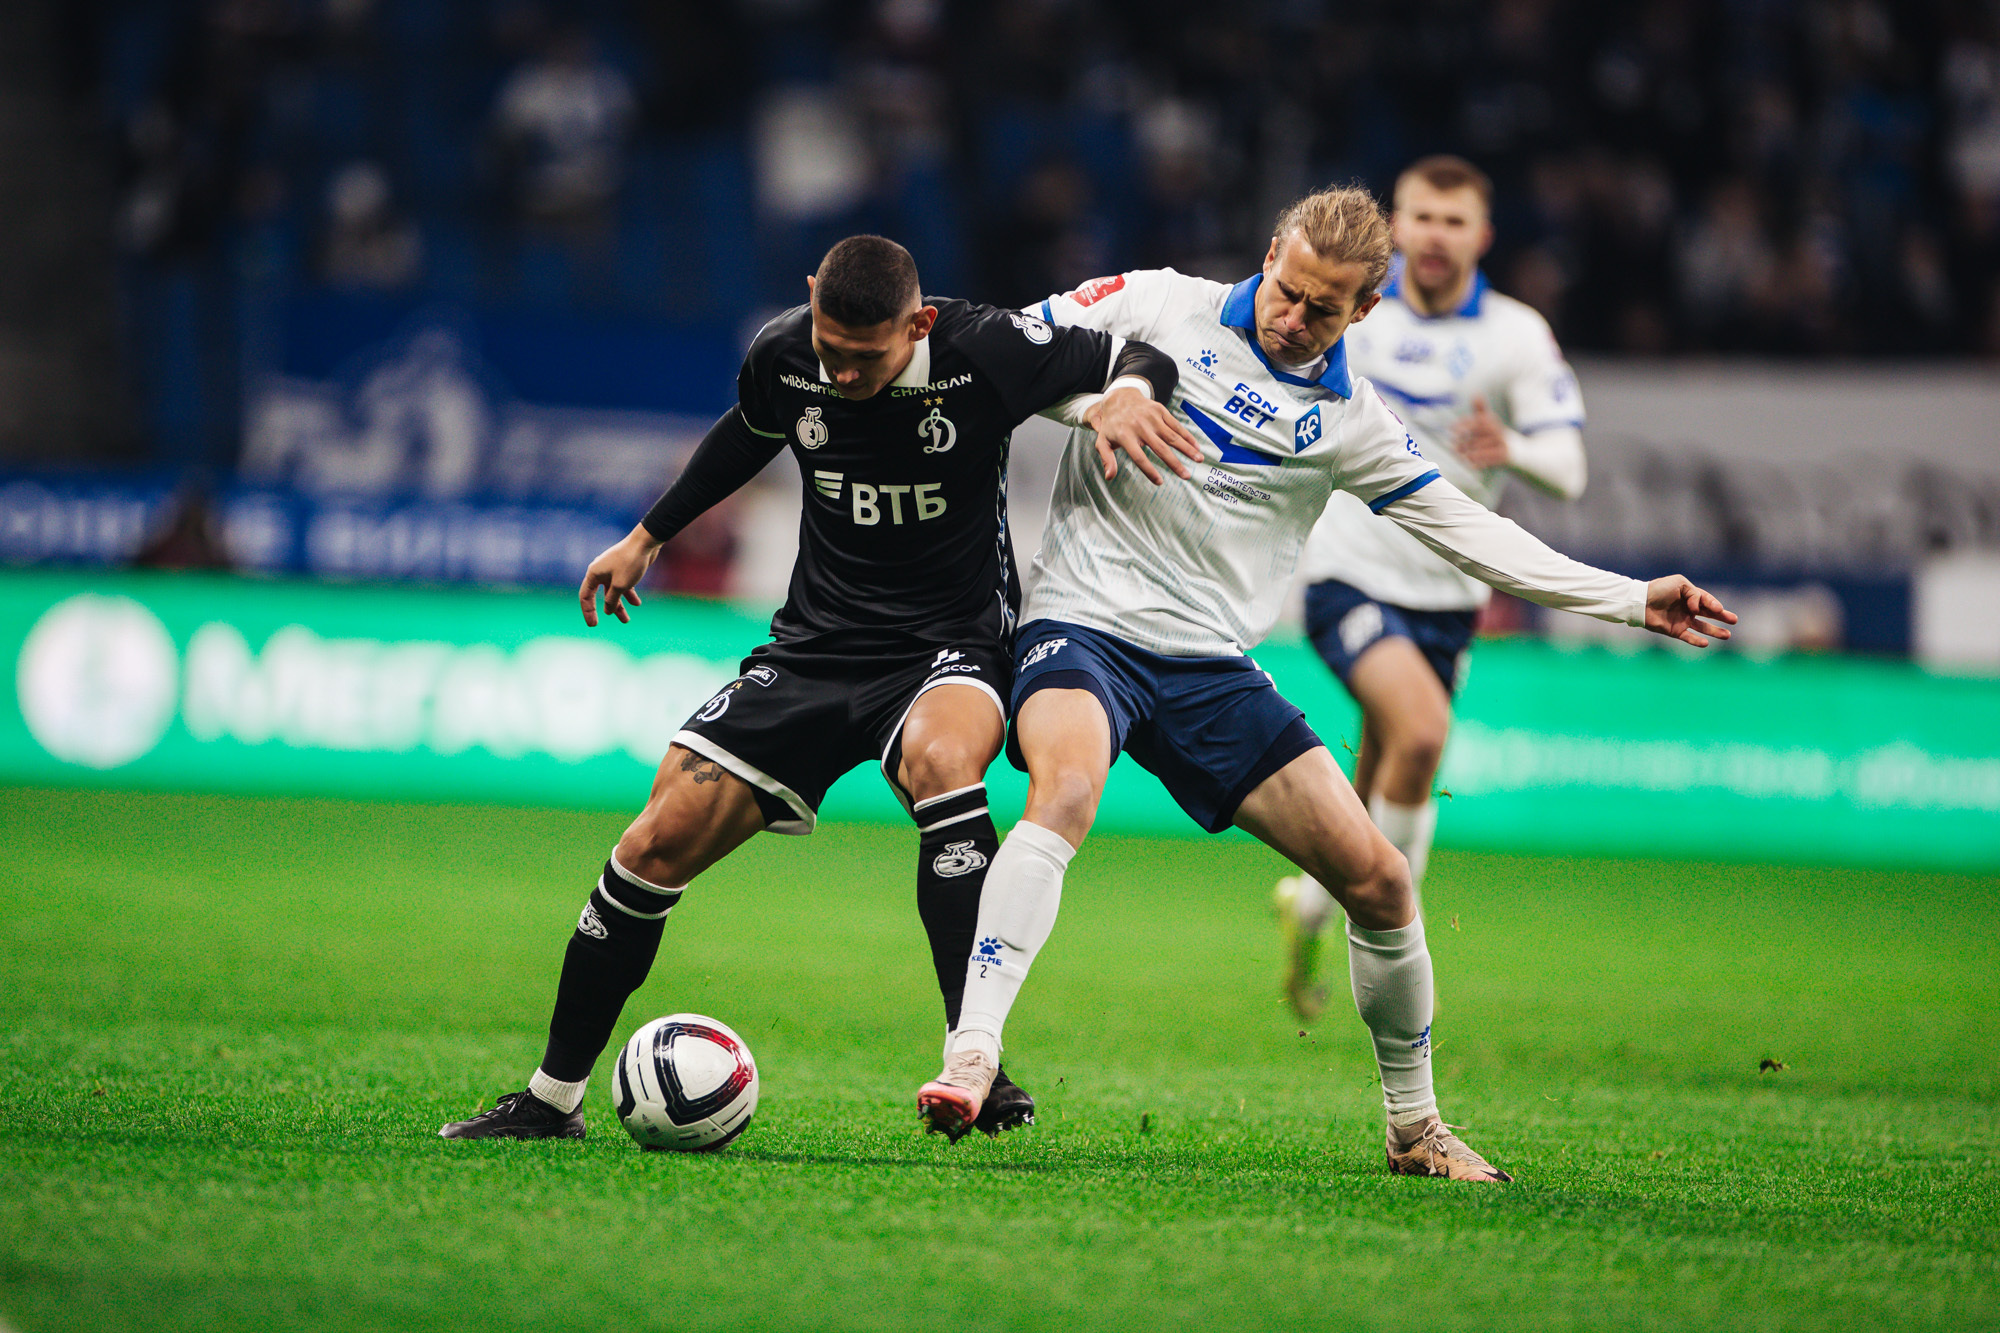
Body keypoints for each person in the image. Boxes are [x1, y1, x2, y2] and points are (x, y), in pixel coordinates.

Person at [914, 188, 1735, 1182]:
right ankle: (972, 1053)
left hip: (1210, 667)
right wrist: (1097, 399)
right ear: (1269, 253)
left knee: (1381, 881)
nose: (1292, 316)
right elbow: (991, 349)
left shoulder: (1349, 421)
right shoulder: (1155, 303)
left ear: (1365, 309)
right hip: (1083, 625)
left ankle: (1414, 1129)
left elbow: (1475, 534)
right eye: (1286, 289)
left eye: (1322, 308)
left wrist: (1628, 598)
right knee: (1068, 787)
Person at [440, 234, 1202, 1141]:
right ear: (810, 299)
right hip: (814, 646)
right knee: (652, 840)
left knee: (945, 760)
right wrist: (647, 536)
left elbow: (1136, 356)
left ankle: (976, 1059)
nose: (840, 374)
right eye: (829, 349)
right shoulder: (783, 352)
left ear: (918, 324)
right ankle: (551, 1097)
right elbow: (747, 432)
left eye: (863, 357)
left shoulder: (982, 349)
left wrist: (1128, 396)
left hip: (948, 645)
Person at [1274, 156, 1589, 1020]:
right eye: (1421, 217)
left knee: (1382, 765)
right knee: (1420, 734)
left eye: (1455, 221)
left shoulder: (1516, 336)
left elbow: (1569, 468)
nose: (1436, 235)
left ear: (1483, 235)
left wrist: (1513, 449)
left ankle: (1309, 902)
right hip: (1349, 572)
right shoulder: (1352, 310)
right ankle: (1390, 937)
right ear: (1397, 228)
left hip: (1449, 598)